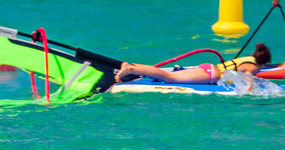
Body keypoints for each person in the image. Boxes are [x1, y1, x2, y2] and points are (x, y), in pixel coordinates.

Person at [115, 44, 272, 84]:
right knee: (169, 78)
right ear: (264, 63)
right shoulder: (253, 67)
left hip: (209, 68)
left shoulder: (249, 58)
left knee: (169, 76)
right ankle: (131, 68)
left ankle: (134, 67)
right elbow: (249, 81)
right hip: (210, 75)